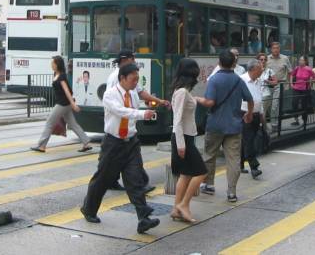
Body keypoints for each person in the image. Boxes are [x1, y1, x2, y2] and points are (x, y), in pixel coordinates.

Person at [80, 63, 160, 234]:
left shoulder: (133, 94)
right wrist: (141, 114)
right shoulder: (110, 94)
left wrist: (149, 110)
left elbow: (133, 114)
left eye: (138, 79)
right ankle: (89, 209)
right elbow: (121, 111)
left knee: (135, 179)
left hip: (131, 142)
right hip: (113, 144)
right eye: (133, 79)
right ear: (122, 78)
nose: (135, 83)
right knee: (102, 179)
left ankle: (143, 218)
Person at [106, 49, 168, 192]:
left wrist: (158, 100)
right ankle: (137, 185)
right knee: (118, 160)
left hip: (128, 126)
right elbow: (115, 105)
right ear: (124, 60)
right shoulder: (115, 77)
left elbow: (140, 92)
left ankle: (130, 184)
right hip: (119, 127)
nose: (134, 61)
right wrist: (140, 113)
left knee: (123, 158)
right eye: (132, 59)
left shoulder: (131, 75)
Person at [198, 50, 254, 203]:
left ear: (219, 62)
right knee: (233, 160)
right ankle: (231, 192)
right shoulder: (238, 80)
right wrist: (249, 114)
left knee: (209, 155)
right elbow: (250, 99)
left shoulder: (214, 80)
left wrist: (196, 99)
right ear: (234, 64)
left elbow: (209, 102)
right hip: (234, 126)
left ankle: (209, 184)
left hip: (215, 125)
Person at [170, 59, 208, 223]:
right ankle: (184, 204)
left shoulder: (184, 92)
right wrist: (181, 144)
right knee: (201, 172)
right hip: (182, 138)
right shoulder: (182, 93)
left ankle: (176, 208)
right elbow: (177, 120)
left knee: (185, 174)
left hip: (187, 137)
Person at [32, 56, 92, 153]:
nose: (51, 65)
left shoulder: (62, 76)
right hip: (65, 104)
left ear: (57, 64)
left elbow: (67, 91)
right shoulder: (56, 74)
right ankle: (86, 143)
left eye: (53, 63)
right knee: (73, 124)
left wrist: (73, 104)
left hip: (62, 104)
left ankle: (41, 146)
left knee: (49, 122)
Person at [239, 59, 265, 179]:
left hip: (255, 114)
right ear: (253, 69)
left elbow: (259, 98)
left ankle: (240, 163)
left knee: (249, 139)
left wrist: (261, 113)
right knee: (249, 139)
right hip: (245, 114)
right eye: (260, 68)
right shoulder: (242, 80)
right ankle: (254, 167)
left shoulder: (259, 81)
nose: (262, 70)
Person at [266, 42, 291, 121]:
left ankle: (274, 124)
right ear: (271, 49)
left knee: (275, 105)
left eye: (277, 48)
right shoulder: (267, 58)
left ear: (280, 49)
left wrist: (287, 83)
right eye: (274, 48)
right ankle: (274, 121)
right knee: (269, 105)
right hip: (269, 85)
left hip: (280, 85)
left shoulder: (285, 58)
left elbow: (290, 71)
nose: (276, 50)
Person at [290, 56, 315, 126]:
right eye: (300, 60)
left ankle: (304, 121)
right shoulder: (297, 68)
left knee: (304, 105)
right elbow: (292, 75)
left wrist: (310, 84)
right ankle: (296, 120)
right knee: (294, 103)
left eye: (302, 60)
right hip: (296, 88)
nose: (300, 61)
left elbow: (314, 77)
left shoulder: (309, 69)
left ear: (305, 61)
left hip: (305, 89)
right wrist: (291, 83)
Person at [256, 52, 277, 121]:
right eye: (261, 59)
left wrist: (268, 81)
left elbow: (275, 82)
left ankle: (263, 129)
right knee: (257, 112)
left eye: (265, 60)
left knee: (262, 112)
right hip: (256, 94)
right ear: (257, 60)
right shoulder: (254, 70)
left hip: (265, 94)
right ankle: (263, 128)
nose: (263, 61)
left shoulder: (269, 71)